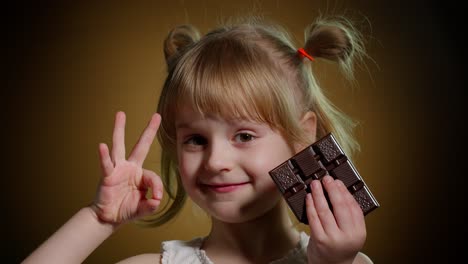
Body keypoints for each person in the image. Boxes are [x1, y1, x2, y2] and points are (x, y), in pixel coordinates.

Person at [22, 15, 374, 264]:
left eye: (244, 135)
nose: (215, 161)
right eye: (195, 140)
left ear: (303, 136)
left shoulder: (346, 262)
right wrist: (98, 219)